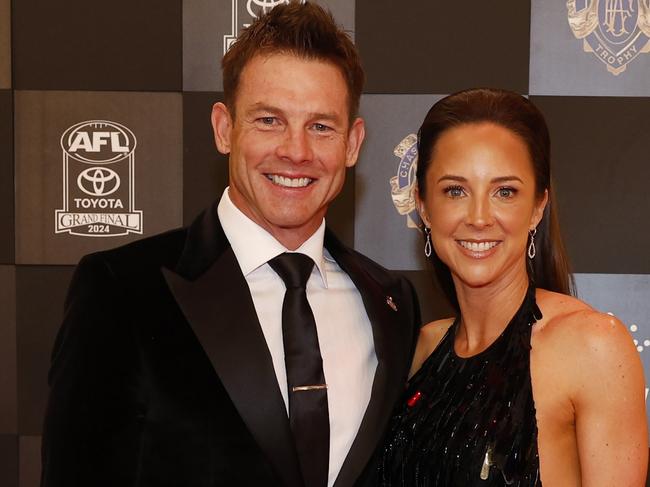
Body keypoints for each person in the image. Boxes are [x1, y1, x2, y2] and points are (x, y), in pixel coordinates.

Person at [40, 3, 420, 487]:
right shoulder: (122, 291)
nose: (296, 151)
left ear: (352, 144)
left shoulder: (391, 304)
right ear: (224, 128)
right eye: (269, 121)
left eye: (321, 126)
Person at [375, 88, 648, 486]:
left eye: (505, 191)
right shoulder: (420, 351)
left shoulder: (591, 347)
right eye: (455, 190)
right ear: (423, 206)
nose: (480, 217)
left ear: (538, 206)